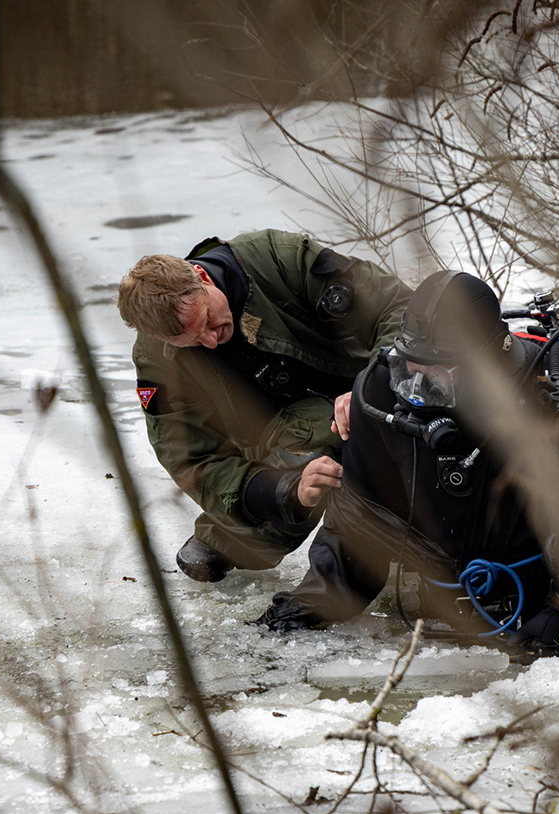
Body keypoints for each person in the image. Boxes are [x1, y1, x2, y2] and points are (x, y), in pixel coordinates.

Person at [256, 271, 559, 652]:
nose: (416, 388)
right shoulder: (380, 391)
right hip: (447, 592)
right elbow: (362, 520)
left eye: (437, 372)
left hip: (546, 584)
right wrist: (315, 601)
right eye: (409, 367)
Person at [118, 230, 412, 582]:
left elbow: (398, 310)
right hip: (275, 434)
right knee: (304, 463)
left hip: (370, 380)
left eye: (209, 320)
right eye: (192, 341)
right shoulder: (157, 357)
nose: (211, 340)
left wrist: (371, 385)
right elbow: (193, 460)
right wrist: (284, 490)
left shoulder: (278, 257)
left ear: (202, 277)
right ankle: (238, 532)